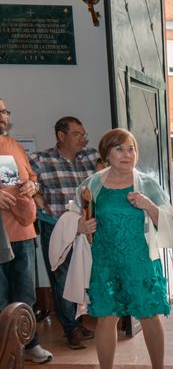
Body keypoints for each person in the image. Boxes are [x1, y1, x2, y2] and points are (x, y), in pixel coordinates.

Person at [67, 128, 173, 369]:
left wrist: (148, 205)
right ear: (106, 154)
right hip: (105, 262)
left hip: (141, 261)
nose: (127, 155)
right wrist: (80, 226)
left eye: (131, 149)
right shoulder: (92, 184)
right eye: (119, 149)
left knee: (150, 316)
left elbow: (169, 221)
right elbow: (73, 215)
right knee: (106, 318)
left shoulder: (147, 184)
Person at [30, 116, 102, 349]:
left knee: (84, 275)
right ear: (61, 136)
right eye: (77, 134)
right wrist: (37, 200)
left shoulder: (90, 157)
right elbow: (27, 183)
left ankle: (79, 320)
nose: (82, 139)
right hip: (56, 226)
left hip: (86, 227)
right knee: (60, 278)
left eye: (83, 135)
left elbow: (107, 167)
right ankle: (70, 329)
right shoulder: (41, 159)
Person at [0, 97, 53, 363]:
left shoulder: (14, 146)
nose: (2, 116)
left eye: (4, 111)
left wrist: (33, 187)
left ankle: (29, 344)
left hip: (22, 233)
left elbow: (31, 178)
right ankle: (5, 352)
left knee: (25, 294)